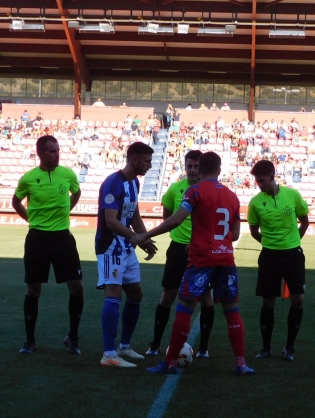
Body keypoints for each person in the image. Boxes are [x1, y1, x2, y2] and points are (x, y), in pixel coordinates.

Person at [133, 152, 255, 375]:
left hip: (201, 260)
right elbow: (235, 234)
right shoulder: (232, 196)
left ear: (200, 169)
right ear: (219, 169)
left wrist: (144, 235)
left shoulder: (195, 191)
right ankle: (241, 364)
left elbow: (176, 219)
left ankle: (168, 363)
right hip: (226, 259)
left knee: (185, 308)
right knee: (231, 309)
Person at [11, 135, 84, 355]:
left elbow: (77, 192)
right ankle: (30, 341)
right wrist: (30, 219)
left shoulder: (68, 174)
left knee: (77, 287)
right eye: (52, 151)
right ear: (41, 154)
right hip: (37, 238)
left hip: (63, 237)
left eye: (58, 150)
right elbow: (15, 201)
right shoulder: (29, 178)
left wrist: (65, 211)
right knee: (33, 290)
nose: (57, 154)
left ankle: (72, 337)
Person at [147, 150, 215, 358]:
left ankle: (203, 348)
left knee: (205, 298)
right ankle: (155, 344)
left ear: (202, 168)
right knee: (168, 295)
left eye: (197, 166)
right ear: (184, 167)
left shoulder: (209, 191)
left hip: (202, 252)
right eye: (189, 166)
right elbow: (168, 216)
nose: (193, 170)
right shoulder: (175, 190)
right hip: (178, 249)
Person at [95, 141, 158, 368]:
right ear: (134, 160)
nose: (150, 165)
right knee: (114, 293)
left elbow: (134, 216)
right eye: (147, 161)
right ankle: (109, 354)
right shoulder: (113, 183)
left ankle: (125, 346)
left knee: (136, 293)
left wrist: (144, 239)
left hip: (127, 247)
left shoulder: (134, 183)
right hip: (111, 246)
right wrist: (136, 238)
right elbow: (111, 222)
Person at [247, 160, 309, 360]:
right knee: (268, 301)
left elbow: (305, 220)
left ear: (273, 176)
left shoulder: (292, 195)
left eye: (262, 180)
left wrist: (294, 240)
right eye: (257, 181)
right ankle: (266, 348)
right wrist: (269, 243)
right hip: (269, 256)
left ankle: (289, 347)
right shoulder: (255, 202)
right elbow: (254, 231)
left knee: (298, 299)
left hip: (293, 255)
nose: (260, 184)